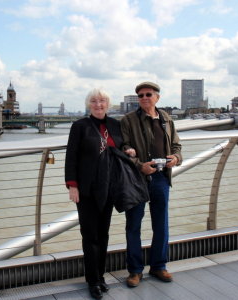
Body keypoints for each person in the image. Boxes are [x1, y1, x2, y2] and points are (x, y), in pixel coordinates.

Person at [65, 88, 139, 299]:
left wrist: (129, 149)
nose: (99, 104)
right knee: (90, 236)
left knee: (104, 234)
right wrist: (72, 185)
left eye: (102, 101)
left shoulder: (115, 125)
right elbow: (71, 157)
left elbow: (120, 144)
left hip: (108, 187)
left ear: (108, 104)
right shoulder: (80, 126)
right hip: (86, 189)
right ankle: (92, 280)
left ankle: (101, 275)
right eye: (95, 101)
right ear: (89, 105)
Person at [120, 81, 182, 287]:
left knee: (161, 224)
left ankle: (159, 266)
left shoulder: (166, 118)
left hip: (161, 178)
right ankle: (135, 271)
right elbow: (123, 147)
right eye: (140, 95)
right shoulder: (128, 120)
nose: (144, 98)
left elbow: (176, 144)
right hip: (137, 180)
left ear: (157, 97)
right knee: (134, 226)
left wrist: (176, 157)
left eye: (148, 94)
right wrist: (140, 166)